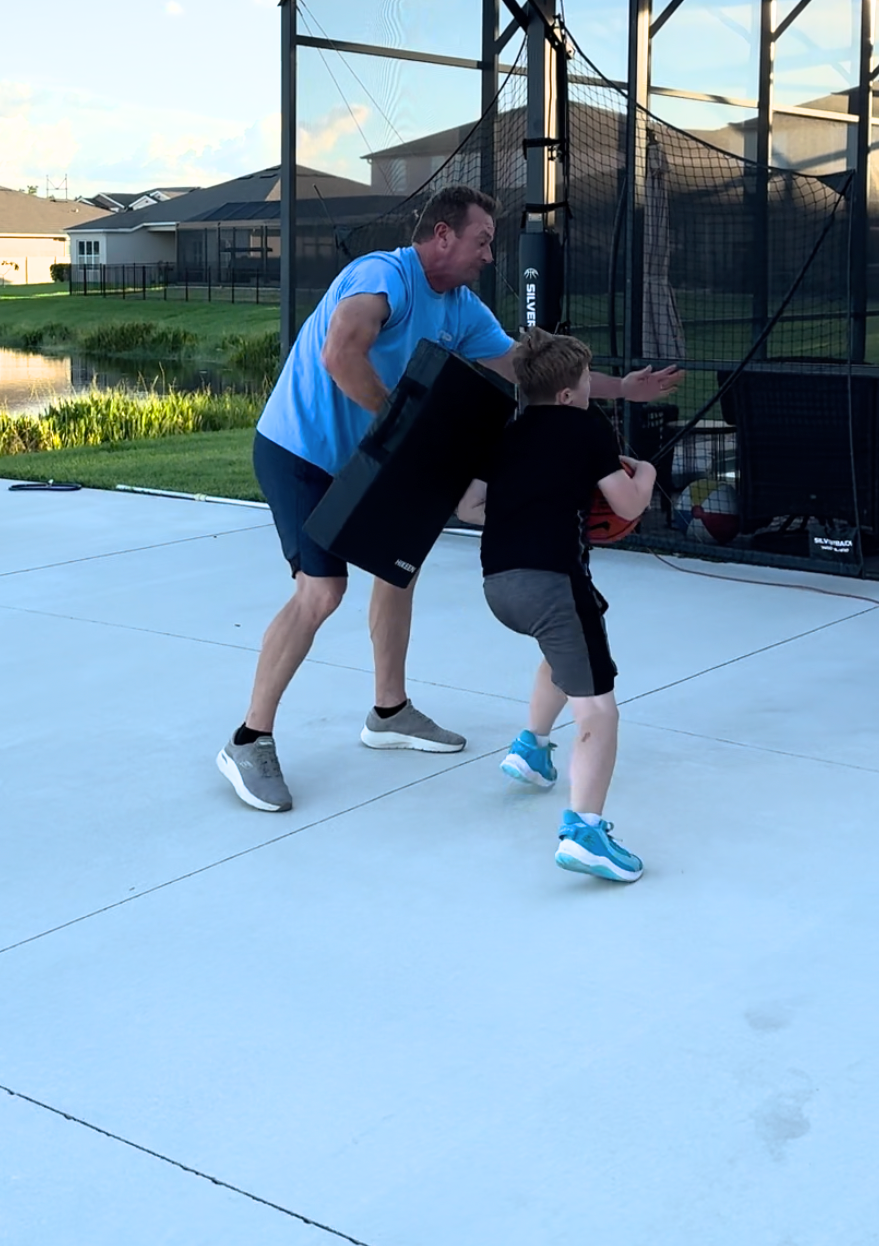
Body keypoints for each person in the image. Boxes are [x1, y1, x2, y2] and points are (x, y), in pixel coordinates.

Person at [217, 188, 679, 814]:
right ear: (442, 235)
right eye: (482, 240)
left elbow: (529, 369)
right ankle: (250, 738)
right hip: (300, 450)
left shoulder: (459, 307)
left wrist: (621, 385)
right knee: (322, 592)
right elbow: (340, 353)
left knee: (397, 571)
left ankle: (389, 712)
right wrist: (402, 428)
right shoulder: (384, 276)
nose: (490, 255)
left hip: (367, 458)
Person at [457, 327, 656, 883]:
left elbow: (470, 505)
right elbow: (627, 503)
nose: (593, 388)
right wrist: (647, 474)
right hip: (552, 581)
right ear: (568, 394)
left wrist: (527, 500)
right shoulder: (585, 426)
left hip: (499, 584)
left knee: (564, 644)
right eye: (589, 379)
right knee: (598, 709)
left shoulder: (508, 433)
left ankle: (531, 748)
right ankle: (585, 831)